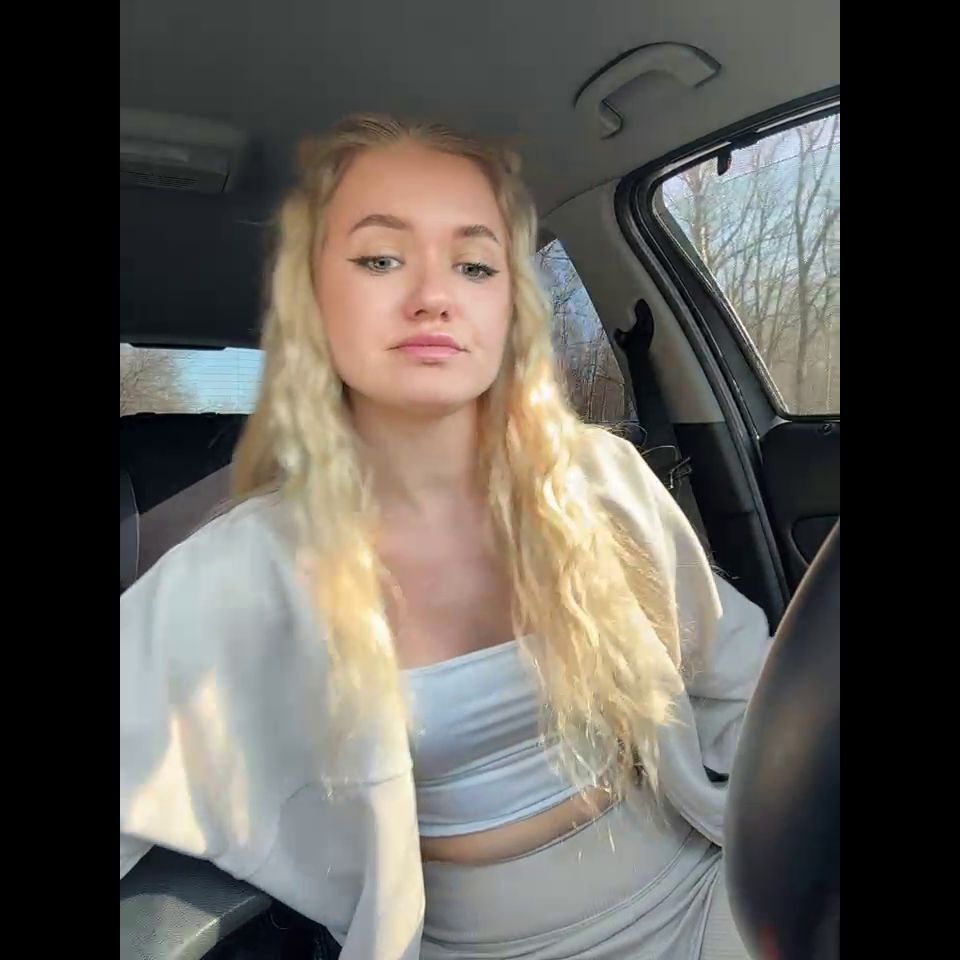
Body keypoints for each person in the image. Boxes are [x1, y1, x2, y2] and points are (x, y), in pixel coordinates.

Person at [120, 113, 771, 959]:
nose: (434, 295)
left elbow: (741, 688)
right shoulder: (239, 570)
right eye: (380, 259)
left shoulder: (600, 477)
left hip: (710, 895)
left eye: (474, 265)